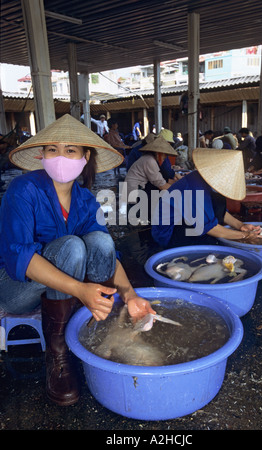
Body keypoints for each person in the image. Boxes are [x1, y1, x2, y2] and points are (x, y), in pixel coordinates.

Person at [0, 114, 155, 406]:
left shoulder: (85, 200)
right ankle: (57, 354)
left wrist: (130, 294)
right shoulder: (23, 190)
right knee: (71, 247)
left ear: (85, 157)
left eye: (70, 150)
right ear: (42, 155)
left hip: (62, 292)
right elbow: (19, 256)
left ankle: (93, 325)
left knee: (101, 240)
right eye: (52, 150)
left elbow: (107, 254)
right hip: (14, 289)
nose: (61, 157)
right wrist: (81, 290)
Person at [151, 148, 262, 248]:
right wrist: (245, 236)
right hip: (169, 233)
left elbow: (220, 212)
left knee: (219, 201)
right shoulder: (194, 187)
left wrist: (241, 225)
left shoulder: (204, 181)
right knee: (212, 243)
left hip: (190, 222)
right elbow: (209, 228)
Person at [122, 136, 178, 223]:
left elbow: (161, 179)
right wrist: (180, 190)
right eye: (164, 155)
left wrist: (178, 182)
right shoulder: (150, 161)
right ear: (158, 153)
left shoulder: (149, 159)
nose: (165, 157)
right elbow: (162, 185)